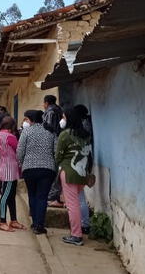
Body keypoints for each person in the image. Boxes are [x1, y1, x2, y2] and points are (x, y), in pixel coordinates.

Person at [55, 108, 93, 246]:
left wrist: (59, 165)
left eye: (64, 117)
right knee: (79, 200)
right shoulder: (86, 135)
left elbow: (58, 155)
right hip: (82, 172)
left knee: (72, 205)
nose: (62, 119)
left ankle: (76, 235)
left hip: (69, 172)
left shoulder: (65, 135)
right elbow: (88, 154)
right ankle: (84, 226)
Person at [17, 110, 57, 235]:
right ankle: (40, 225)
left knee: (32, 195)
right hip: (47, 169)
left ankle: (35, 223)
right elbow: (56, 151)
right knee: (42, 197)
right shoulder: (51, 132)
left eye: (27, 119)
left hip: (29, 169)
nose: (26, 122)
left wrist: (23, 163)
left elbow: (20, 151)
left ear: (31, 120)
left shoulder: (27, 131)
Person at [0, 116, 26, 232]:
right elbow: (19, 151)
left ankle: (13, 220)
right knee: (5, 196)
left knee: (11, 195)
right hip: (10, 169)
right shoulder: (10, 137)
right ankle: (2, 221)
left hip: (5, 167)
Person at [73, 104, 93, 235]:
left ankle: (83, 225)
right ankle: (84, 224)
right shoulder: (87, 124)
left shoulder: (81, 128)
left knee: (78, 198)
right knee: (80, 197)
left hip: (78, 164)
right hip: (84, 162)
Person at [43, 95, 64, 208]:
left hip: (54, 143)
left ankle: (52, 195)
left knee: (53, 169)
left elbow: (49, 128)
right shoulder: (60, 110)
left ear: (46, 103)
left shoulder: (50, 111)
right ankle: (55, 194)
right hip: (59, 142)